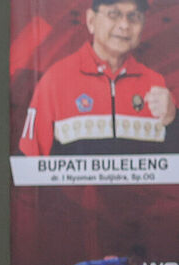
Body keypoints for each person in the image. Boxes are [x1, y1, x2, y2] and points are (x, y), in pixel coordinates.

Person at [19, 1, 176, 156]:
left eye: (134, 16)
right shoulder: (55, 81)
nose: (125, 25)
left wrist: (173, 119)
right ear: (91, 21)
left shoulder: (156, 83)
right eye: (113, 14)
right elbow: (28, 161)